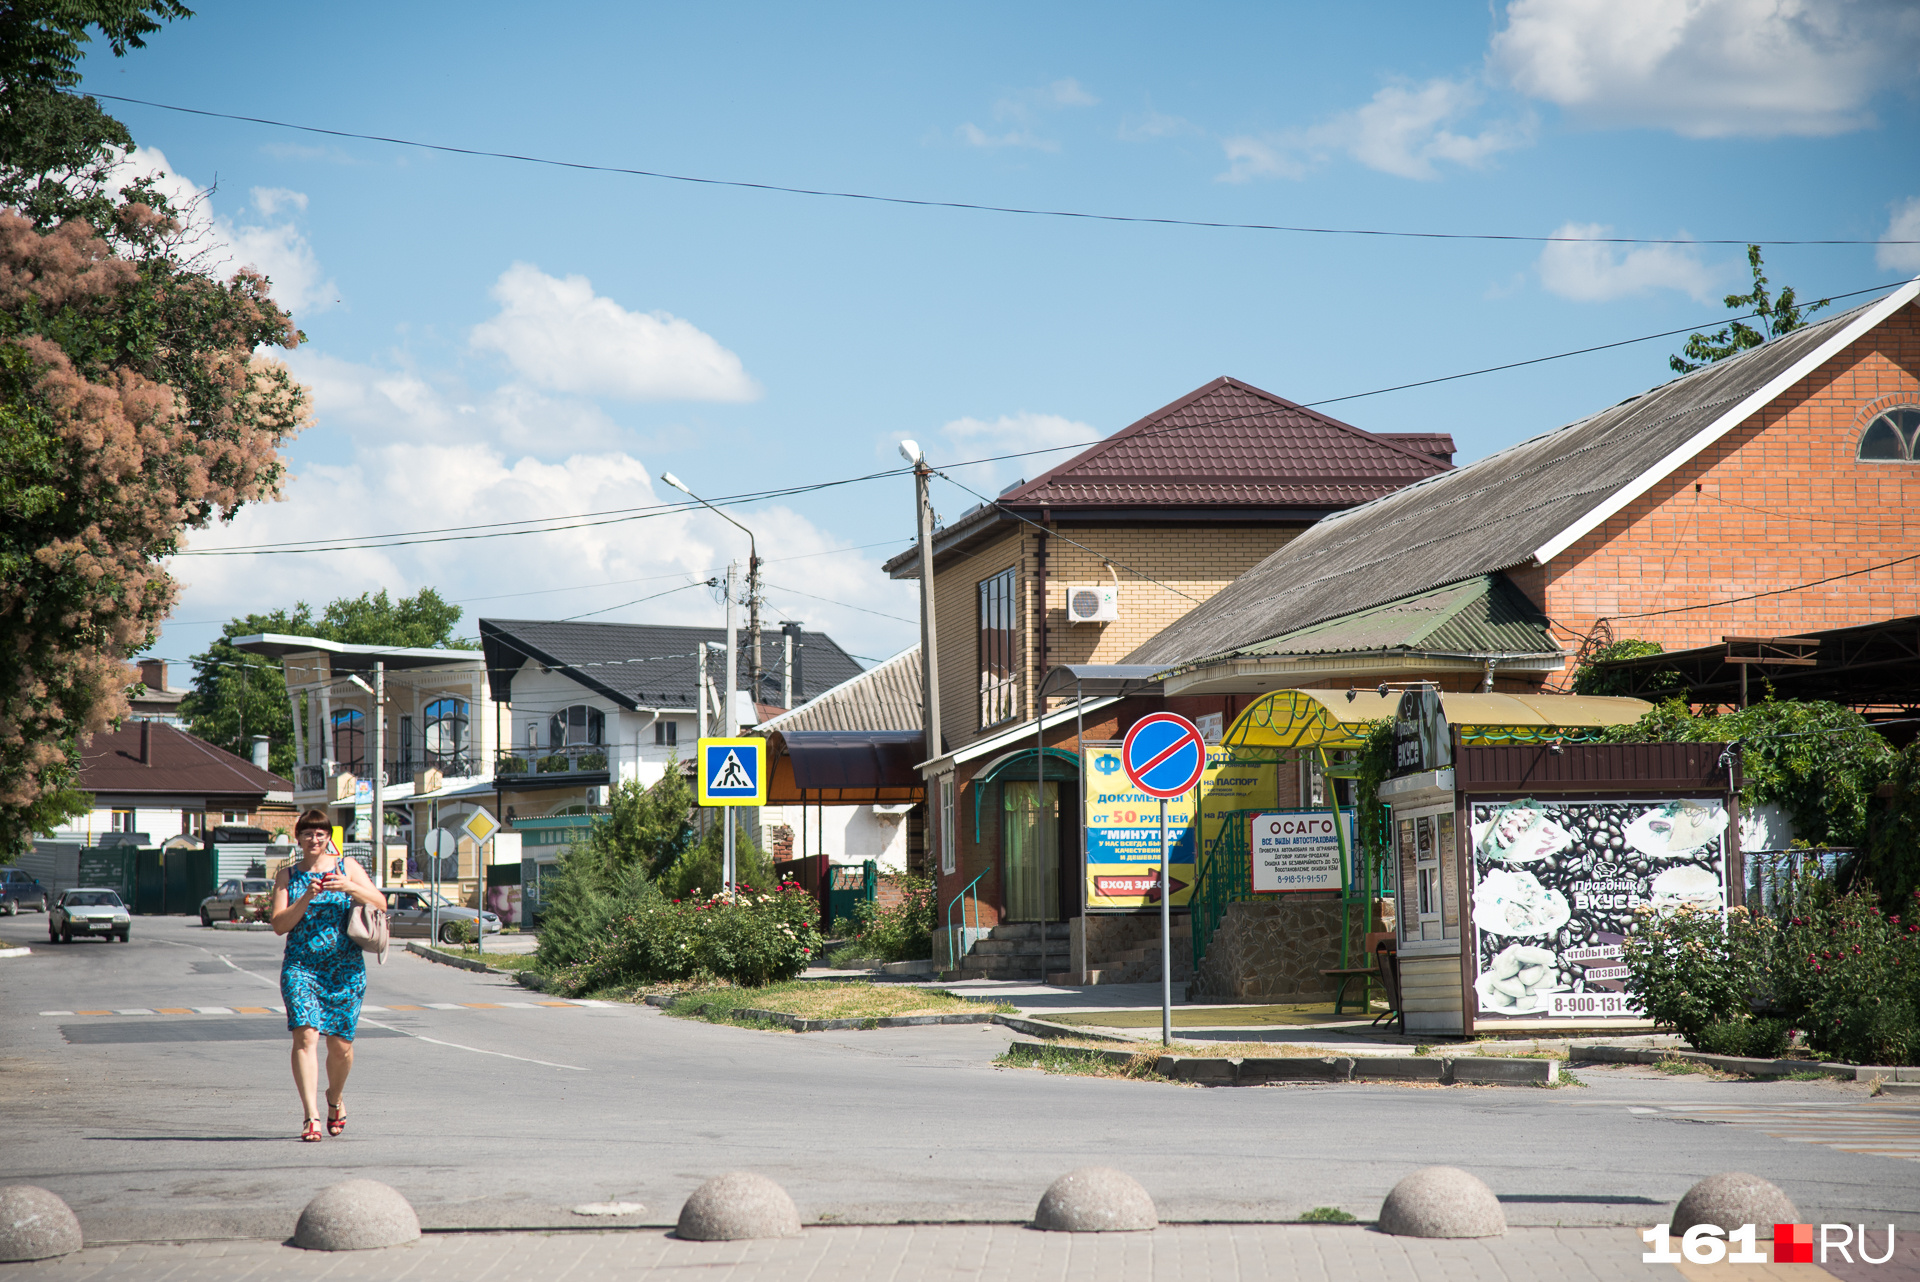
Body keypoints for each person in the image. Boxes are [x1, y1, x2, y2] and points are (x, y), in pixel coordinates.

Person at [271, 809, 386, 1142]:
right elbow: (279, 925)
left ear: (328, 837)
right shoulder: (286, 876)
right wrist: (306, 896)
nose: (314, 839)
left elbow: (379, 902)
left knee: (340, 1048)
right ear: (299, 838)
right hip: (301, 967)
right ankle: (311, 1117)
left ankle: (334, 1098)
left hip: (345, 970)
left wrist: (349, 886)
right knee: (305, 1036)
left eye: (320, 833)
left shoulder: (347, 867)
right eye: (307, 833)